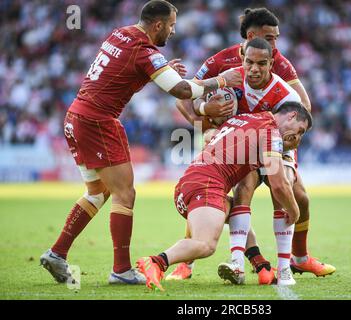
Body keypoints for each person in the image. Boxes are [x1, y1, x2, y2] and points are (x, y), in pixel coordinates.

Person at [39, 0, 242, 285]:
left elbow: (122, 73)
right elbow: (183, 89)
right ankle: (121, 270)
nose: (172, 32)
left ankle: (57, 253)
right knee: (125, 194)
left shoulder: (120, 33)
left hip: (76, 117)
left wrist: (160, 71)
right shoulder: (144, 51)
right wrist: (220, 80)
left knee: (97, 192)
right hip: (98, 121)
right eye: (171, 25)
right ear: (158, 24)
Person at [167, 8, 335, 283]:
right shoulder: (222, 61)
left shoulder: (278, 62)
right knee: (213, 190)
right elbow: (183, 98)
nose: (275, 46)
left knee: (297, 196)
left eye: (276, 39)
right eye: (270, 38)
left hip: (273, 138)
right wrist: (205, 117)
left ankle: (298, 259)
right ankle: (189, 262)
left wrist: (282, 135)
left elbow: (303, 107)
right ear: (250, 37)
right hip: (235, 141)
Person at [137, 101, 312, 290]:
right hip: (206, 186)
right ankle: (156, 262)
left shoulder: (242, 118)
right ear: (292, 116)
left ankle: (259, 262)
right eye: (301, 130)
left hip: (190, 184)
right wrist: (294, 211)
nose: (299, 137)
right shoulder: (270, 132)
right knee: (205, 245)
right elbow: (279, 185)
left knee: (238, 214)